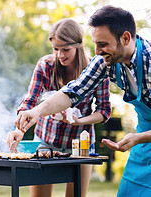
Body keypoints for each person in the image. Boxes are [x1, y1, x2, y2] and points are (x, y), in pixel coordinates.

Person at [15, 5, 151, 197]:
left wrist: (138, 138)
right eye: (95, 44)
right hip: (145, 141)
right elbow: (71, 93)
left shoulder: (149, 63)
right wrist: (36, 112)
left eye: (103, 44)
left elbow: (104, 110)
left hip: (142, 137)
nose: (97, 51)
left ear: (126, 38)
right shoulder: (104, 62)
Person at [7, 18, 111, 197]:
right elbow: (30, 101)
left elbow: (104, 111)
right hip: (45, 142)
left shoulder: (96, 70)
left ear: (78, 46)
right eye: (56, 49)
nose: (60, 55)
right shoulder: (46, 65)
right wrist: (20, 129)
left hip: (81, 145)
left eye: (66, 49)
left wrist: (79, 121)